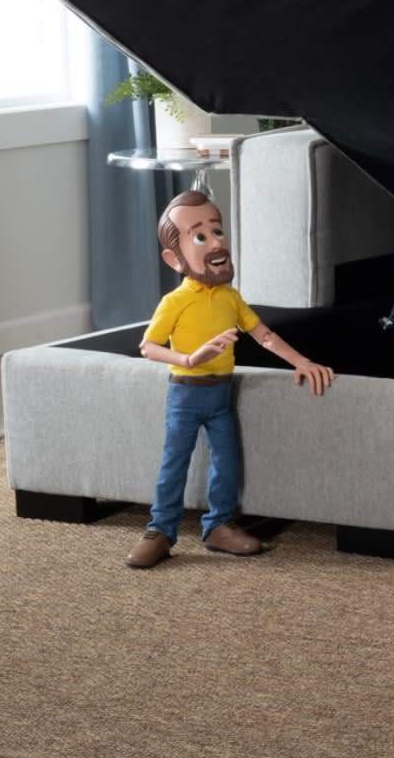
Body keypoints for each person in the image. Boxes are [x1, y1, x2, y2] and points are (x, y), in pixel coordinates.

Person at [126, 189, 334, 569]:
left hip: (220, 396)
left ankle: (218, 525)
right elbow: (148, 347)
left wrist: (301, 361)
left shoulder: (230, 298)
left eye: (217, 231)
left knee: (227, 462)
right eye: (200, 237)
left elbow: (264, 335)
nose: (216, 243)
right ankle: (160, 531)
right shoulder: (175, 302)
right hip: (185, 396)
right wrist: (190, 358)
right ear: (174, 258)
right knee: (174, 463)